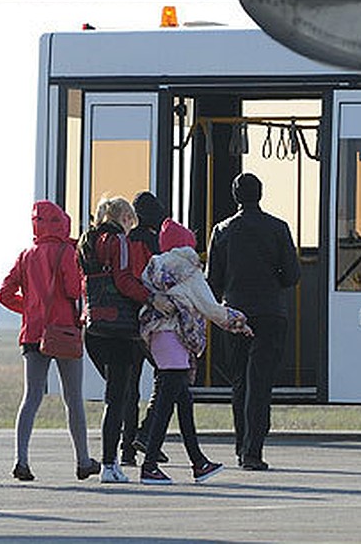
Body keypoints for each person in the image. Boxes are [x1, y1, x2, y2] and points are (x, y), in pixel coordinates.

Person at [137, 218, 253, 484]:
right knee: (166, 404)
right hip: (176, 338)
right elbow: (210, 308)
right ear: (187, 244)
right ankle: (150, 465)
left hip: (157, 337)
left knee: (183, 403)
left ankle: (199, 463)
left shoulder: (154, 267)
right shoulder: (189, 269)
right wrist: (239, 322)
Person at [0, 200, 101, 482]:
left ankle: (21, 459)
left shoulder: (26, 254)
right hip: (64, 331)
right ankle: (82, 460)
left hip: (33, 333)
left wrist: (30, 308)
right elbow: (72, 289)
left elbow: (5, 294)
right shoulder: (68, 252)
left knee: (31, 397)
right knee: (73, 399)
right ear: (62, 223)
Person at [207, 173, 300, 471]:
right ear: (260, 194)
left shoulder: (221, 231)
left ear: (235, 196)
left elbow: (213, 280)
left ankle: (241, 446)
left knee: (239, 382)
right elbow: (292, 275)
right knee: (260, 383)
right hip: (271, 312)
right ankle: (253, 451)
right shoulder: (278, 228)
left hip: (235, 314)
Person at [78, 196, 149, 483]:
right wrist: (151, 296)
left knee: (114, 394)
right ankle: (110, 463)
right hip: (119, 328)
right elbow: (123, 280)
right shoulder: (117, 240)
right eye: (129, 219)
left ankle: (110, 461)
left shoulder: (85, 242)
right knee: (116, 399)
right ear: (122, 217)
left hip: (93, 327)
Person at [121, 190, 167, 467]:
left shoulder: (124, 242)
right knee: (169, 375)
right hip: (152, 319)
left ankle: (127, 449)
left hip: (127, 321)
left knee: (129, 387)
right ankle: (148, 433)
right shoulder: (156, 243)